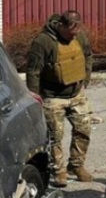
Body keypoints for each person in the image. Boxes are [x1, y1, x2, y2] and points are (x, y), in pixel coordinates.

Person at [25, 10, 94, 188]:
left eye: (77, 31)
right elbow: (33, 70)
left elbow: (87, 55)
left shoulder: (80, 37)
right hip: (53, 97)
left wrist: (85, 79)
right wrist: (34, 96)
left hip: (77, 93)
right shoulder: (43, 42)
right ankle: (59, 170)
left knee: (83, 130)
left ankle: (76, 166)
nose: (74, 35)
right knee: (55, 136)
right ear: (62, 26)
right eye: (71, 31)